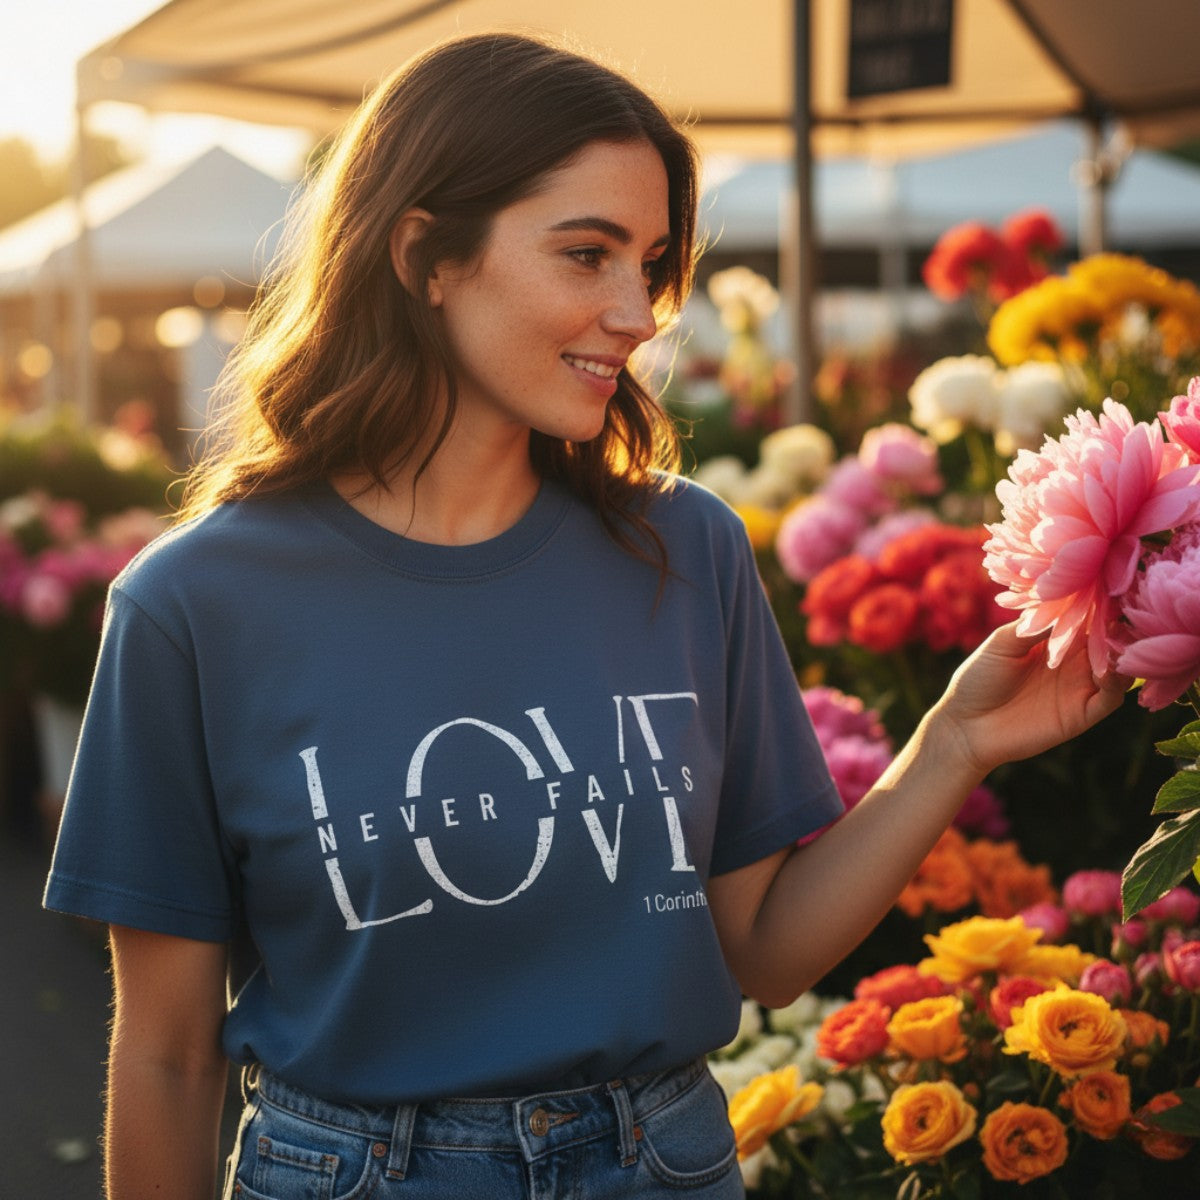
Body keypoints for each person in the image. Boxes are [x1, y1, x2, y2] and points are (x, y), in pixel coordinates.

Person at [44, 32, 1126, 1200]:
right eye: (585, 254)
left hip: (666, 1164)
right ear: (425, 256)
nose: (637, 312)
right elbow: (163, 1055)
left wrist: (953, 742)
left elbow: (762, 951)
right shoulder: (192, 606)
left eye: (650, 262)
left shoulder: (687, 549)